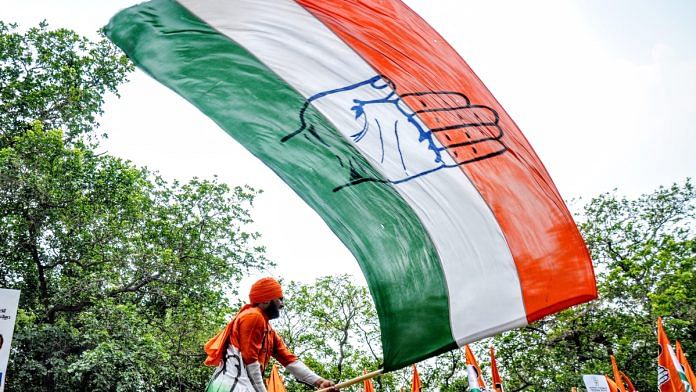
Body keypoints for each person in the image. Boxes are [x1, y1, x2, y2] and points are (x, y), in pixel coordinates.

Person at [204, 277, 337, 392]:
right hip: (231, 386)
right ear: (265, 300)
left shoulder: (268, 329)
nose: (282, 304)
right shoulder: (253, 316)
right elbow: (250, 360)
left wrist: (319, 382)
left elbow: (289, 359)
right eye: (279, 299)